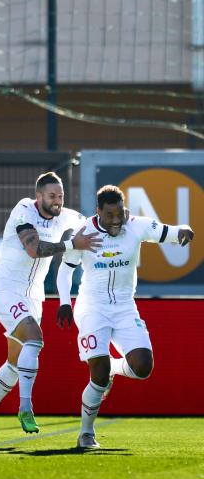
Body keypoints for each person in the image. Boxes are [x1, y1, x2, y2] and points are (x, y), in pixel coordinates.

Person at [56, 185, 194, 449]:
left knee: (143, 367)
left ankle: (114, 368)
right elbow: (65, 271)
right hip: (92, 306)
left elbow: (167, 231)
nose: (116, 219)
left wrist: (183, 230)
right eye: (110, 215)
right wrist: (64, 302)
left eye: (120, 212)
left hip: (124, 306)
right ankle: (86, 433)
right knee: (98, 371)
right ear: (98, 212)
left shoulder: (135, 225)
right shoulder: (83, 233)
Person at [0, 171, 102, 442]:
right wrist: (70, 243)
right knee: (35, 339)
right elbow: (33, 249)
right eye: (52, 196)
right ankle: (25, 408)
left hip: (34, 297)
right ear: (39, 196)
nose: (57, 201)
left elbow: (91, 227)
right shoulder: (23, 210)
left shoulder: (67, 216)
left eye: (61, 196)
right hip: (6, 290)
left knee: (15, 363)